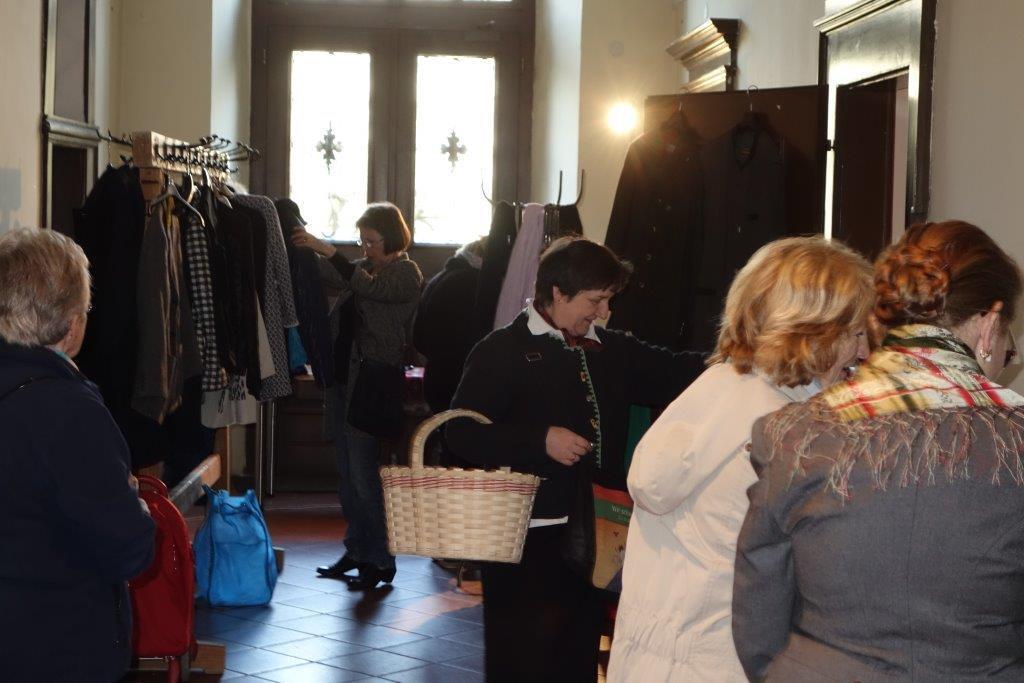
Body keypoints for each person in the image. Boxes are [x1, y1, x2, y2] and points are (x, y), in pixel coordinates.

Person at [732, 221, 1024, 680]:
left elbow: (759, 625)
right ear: (989, 324)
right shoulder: (1013, 441)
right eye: (1008, 334)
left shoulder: (792, 434)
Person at [607, 237, 873, 682]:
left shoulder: (711, 391)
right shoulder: (789, 433)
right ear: (814, 330)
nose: (864, 353)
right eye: (856, 333)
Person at [446, 236, 706, 682]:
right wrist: (539, 440)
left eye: (608, 300)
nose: (604, 312)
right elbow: (461, 435)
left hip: (595, 536)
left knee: (577, 656)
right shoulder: (501, 350)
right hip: (523, 540)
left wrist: (745, 357)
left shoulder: (613, 349)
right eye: (596, 300)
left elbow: (681, 371)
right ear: (557, 293)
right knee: (522, 660)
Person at [0, 227, 156, 682]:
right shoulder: (67, 410)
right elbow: (128, 549)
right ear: (71, 325)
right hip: (51, 642)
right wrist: (136, 504)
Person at [291, 202, 423, 590]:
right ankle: (358, 550)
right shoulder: (365, 268)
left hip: (369, 387)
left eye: (371, 241)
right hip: (344, 383)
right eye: (361, 240)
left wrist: (327, 248)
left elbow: (368, 287)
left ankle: (380, 560)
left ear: (392, 238)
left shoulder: (405, 273)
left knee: (364, 479)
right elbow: (330, 272)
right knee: (348, 479)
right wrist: (297, 245)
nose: (365, 248)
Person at [414, 235, 486, 416]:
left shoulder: (443, 276)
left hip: (436, 375)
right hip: (456, 380)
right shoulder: (472, 283)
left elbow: (418, 337)